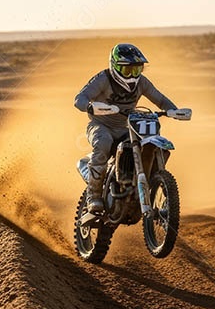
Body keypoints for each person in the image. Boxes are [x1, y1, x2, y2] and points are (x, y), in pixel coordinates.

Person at [74, 43, 180, 212]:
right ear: (114, 66)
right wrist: (90, 106)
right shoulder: (103, 79)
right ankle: (93, 195)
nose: (132, 75)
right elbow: (80, 98)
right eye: (127, 70)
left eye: (137, 70)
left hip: (126, 127)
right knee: (104, 143)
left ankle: (147, 185)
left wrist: (173, 110)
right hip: (100, 126)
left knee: (147, 143)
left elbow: (160, 99)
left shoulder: (142, 83)